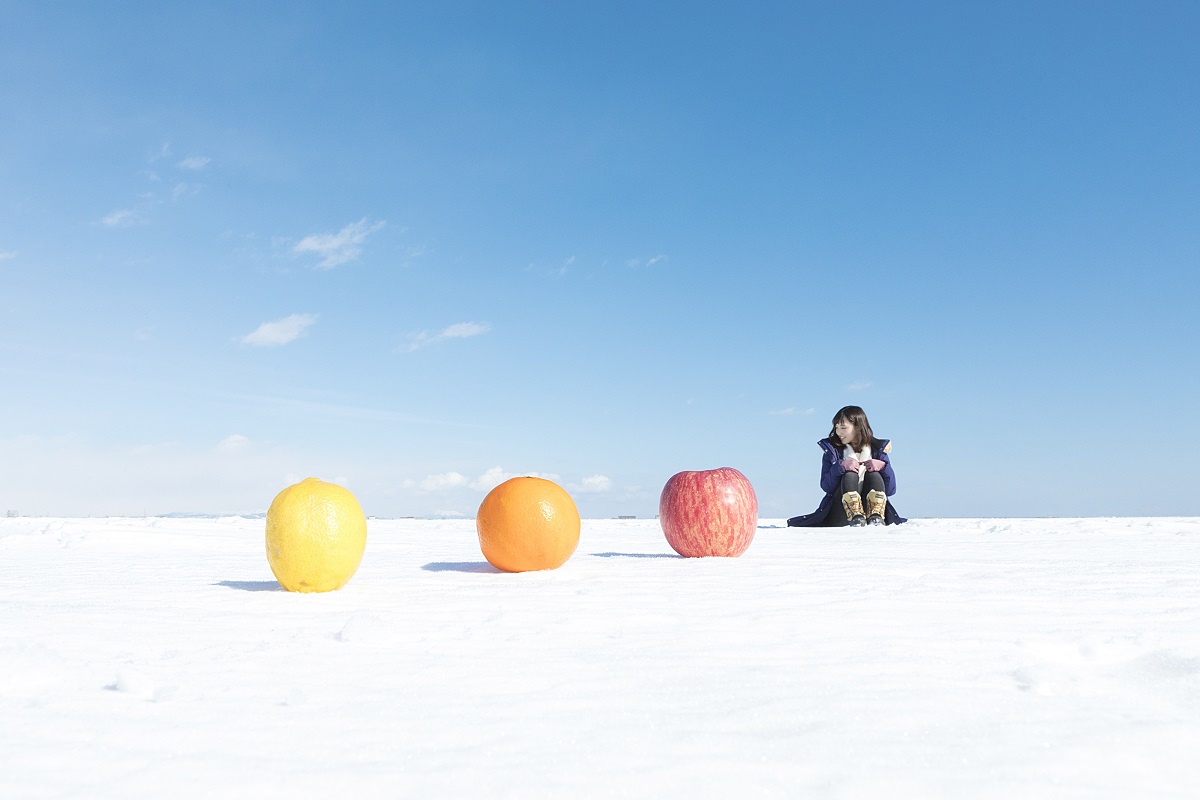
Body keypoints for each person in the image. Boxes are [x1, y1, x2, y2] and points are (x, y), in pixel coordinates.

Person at [787, 406, 905, 527]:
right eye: (836, 427)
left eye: (843, 428)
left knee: (874, 474)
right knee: (849, 475)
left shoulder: (878, 449)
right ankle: (855, 516)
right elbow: (827, 487)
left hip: (872, 514)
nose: (838, 432)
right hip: (841, 512)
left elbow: (890, 490)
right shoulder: (832, 451)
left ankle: (876, 516)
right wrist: (840, 466)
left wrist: (884, 467)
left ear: (858, 427)